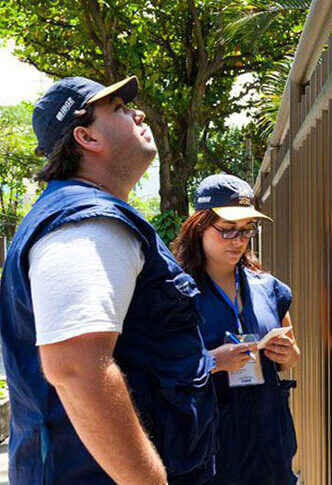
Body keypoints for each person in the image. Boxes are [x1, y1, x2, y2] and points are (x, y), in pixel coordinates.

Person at [0, 76, 218, 484]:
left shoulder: (84, 215)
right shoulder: (86, 222)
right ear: (86, 137)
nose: (138, 113)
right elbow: (75, 367)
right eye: (117, 108)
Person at [173, 174, 301, 485]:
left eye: (246, 231)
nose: (238, 241)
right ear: (200, 226)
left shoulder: (268, 288)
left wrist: (287, 354)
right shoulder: (175, 294)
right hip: (210, 449)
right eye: (227, 231)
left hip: (268, 444)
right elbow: (161, 369)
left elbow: (291, 356)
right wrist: (214, 362)